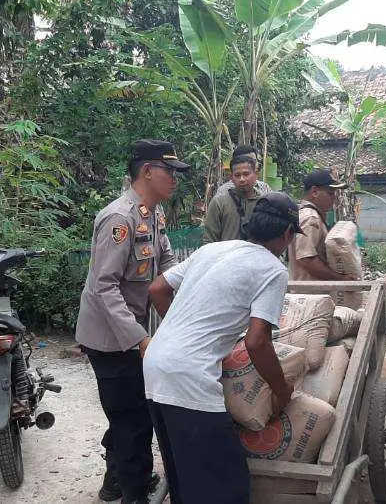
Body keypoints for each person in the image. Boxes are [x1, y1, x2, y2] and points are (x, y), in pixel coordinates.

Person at [144, 192, 301, 504]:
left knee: (185, 476)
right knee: (227, 485)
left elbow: (157, 288)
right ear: (287, 234)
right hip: (191, 378)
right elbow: (257, 341)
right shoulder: (272, 270)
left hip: (155, 365)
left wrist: (185, 330)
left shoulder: (212, 250)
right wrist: (281, 390)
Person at [74, 139, 188, 504]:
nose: (175, 179)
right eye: (170, 172)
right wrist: (140, 339)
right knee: (133, 421)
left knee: (130, 414)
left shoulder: (151, 214)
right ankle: (134, 495)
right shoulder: (119, 219)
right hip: (110, 338)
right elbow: (102, 286)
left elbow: (167, 264)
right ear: (148, 171)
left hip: (132, 332)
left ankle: (114, 481)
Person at [289, 169, 356, 281]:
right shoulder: (310, 218)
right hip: (309, 293)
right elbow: (306, 259)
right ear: (314, 192)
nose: (334, 198)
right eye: (330, 193)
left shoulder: (308, 214)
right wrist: (340, 278)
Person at [202, 155, 264, 243]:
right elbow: (208, 239)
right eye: (237, 175)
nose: (242, 179)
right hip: (225, 256)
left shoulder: (264, 203)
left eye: (246, 174)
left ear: (256, 175)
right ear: (231, 178)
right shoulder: (219, 202)